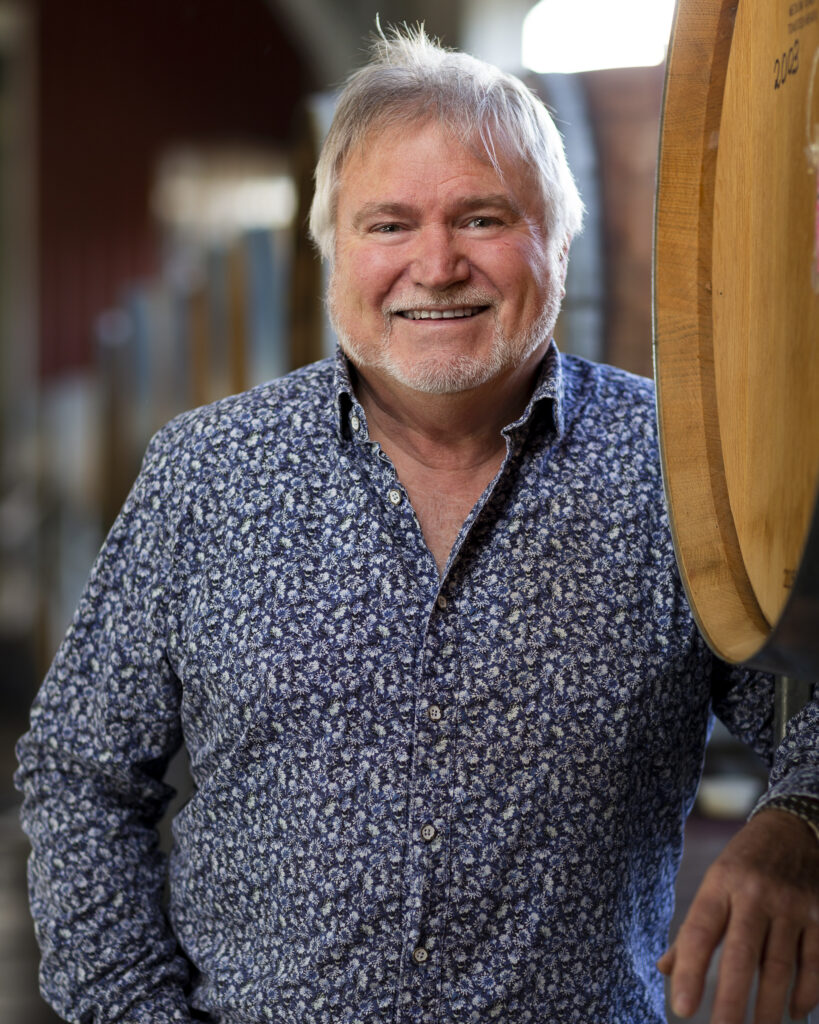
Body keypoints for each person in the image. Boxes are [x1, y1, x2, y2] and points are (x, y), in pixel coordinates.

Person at [15, 25, 819, 1024]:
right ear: (332, 251)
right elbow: (80, 775)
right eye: (388, 226)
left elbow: (811, 697)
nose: (434, 266)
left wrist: (801, 818)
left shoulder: (677, 469)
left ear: (558, 239)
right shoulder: (205, 472)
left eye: (481, 218)